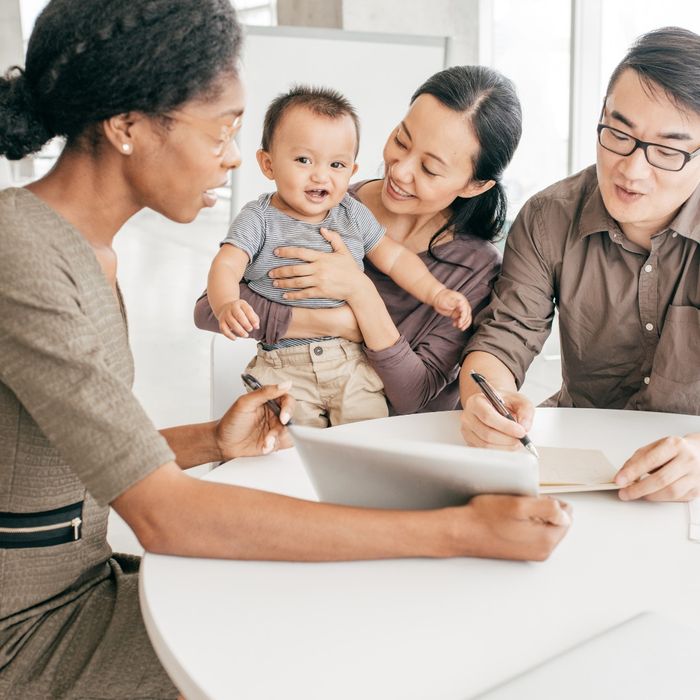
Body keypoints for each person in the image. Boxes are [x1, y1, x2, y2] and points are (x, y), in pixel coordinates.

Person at [0, 2, 571, 697]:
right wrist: (461, 531)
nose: (238, 157)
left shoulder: (84, 251)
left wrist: (213, 438)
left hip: (85, 583)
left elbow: (61, 458)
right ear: (126, 128)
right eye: (224, 129)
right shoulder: (22, 256)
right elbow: (166, 515)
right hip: (31, 631)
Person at [460, 26, 700, 503]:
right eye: (618, 133)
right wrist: (483, 401)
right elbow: (505, 337)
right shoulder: (549, 216)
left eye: (669, 151)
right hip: (579, 462)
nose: (631, 170)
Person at [196, 64, 517, 417]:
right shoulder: (323, 205)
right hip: (293, 383)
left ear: (475, 185)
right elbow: (210, 309)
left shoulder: (474, 268)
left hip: (398, 442)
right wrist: (338, 324)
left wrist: (360, 294)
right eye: (401, 140)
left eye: (429, 168)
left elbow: (414, 397)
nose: (399, 170)